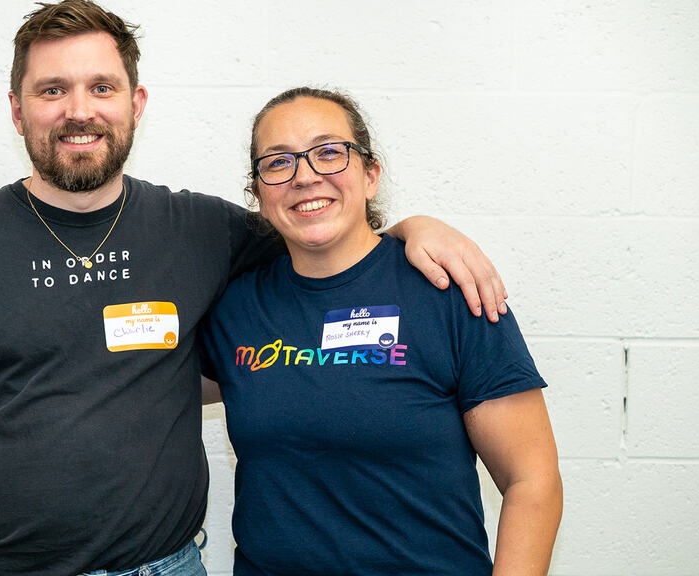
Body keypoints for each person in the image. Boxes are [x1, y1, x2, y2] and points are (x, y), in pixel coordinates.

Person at [0, 3, 512, 576]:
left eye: (101, 87)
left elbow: (323, 226)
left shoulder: (205, 231)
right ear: (17, 110)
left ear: (136, 103)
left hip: (164, 566)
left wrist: (410, 228)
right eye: (52, 90)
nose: (79, 110)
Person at [200, 87, 563, 576]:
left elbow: (532, 480)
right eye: (278, 162)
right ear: (259, 195)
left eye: (329, 152)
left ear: (370, 175)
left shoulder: (449, 292)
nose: (304, 176)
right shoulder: (237, 308)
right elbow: (144, 385)